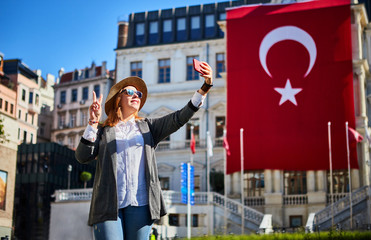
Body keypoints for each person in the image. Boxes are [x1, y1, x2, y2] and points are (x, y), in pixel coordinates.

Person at [75, 61, 213, 240]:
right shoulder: (103, 130)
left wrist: (205, 86)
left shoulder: (148, 127)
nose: (136, 96)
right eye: (130, 92)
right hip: (107, 204)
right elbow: (82, 157)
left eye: (138, 94)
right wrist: (93, 123)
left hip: (141, 203)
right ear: (119, 98)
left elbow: (179, 117)